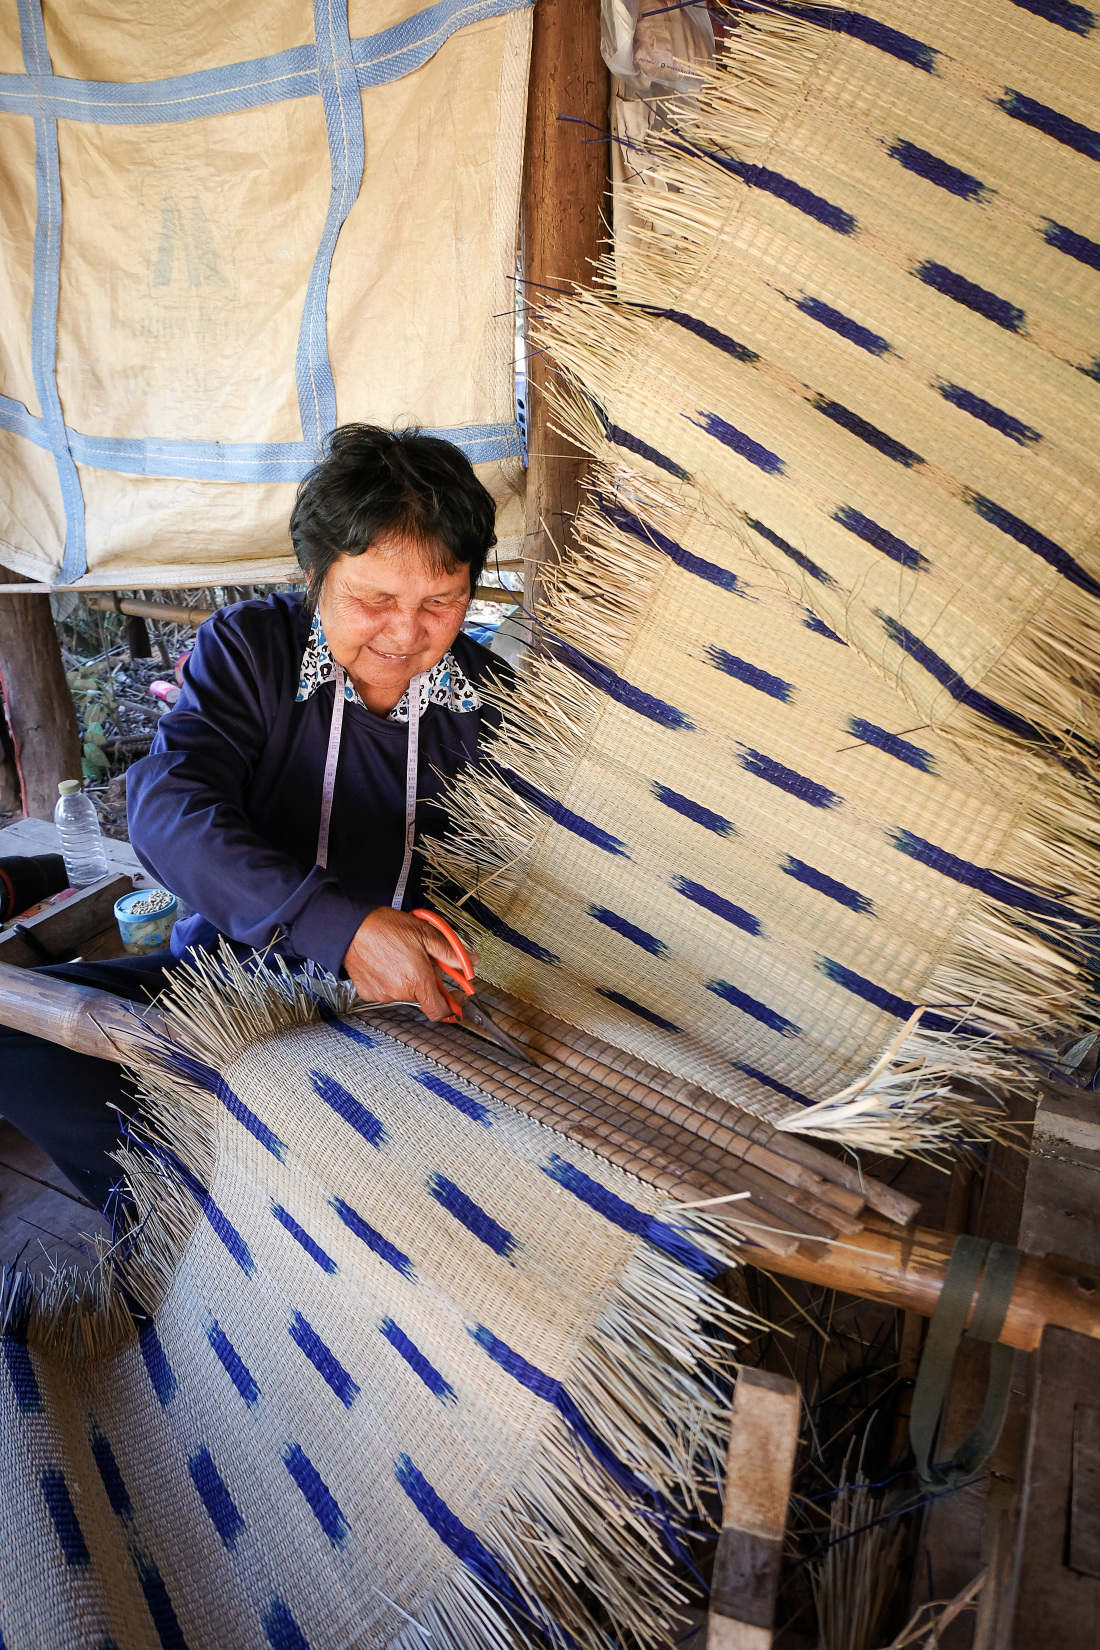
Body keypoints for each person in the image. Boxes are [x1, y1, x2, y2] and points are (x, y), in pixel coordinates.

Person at [0, 426, 510, 1211]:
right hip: (232, 985)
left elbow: (529, 866)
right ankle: (196, 1225)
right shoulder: (253, 651)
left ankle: (279, 1204)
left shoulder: (494, 701)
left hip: (411, 1008)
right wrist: (336, 925)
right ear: (315, 576)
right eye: (374, 600)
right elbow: (167, 809)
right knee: (16, 1040)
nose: (407, 634)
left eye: (441, 602)